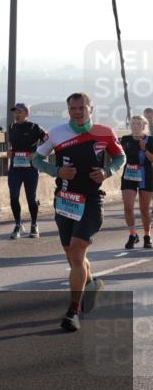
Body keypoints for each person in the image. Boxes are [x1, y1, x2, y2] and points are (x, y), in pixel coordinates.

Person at [31, 93, 125, 332]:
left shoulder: (105, 132)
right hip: (64, 200)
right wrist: (56, 171)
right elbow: (36, 158)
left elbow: (120, 157)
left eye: (82, 107)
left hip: (92, 201)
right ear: (68, 110)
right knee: (73, 257)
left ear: (91, 109)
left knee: (76, 251)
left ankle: (74, 310)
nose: (77, 112)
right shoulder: (57, 133)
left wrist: (107, 172)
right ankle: (91, 284)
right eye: (73, 108)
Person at [5, 103, 47, 239]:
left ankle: (34, 225)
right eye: (15, 112)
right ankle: (18, 224)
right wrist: (10, 152)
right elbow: (13, 145)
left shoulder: (35, 127)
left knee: (31, 199)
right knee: (13, 196)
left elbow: (48, 142)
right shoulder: (11, 127)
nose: (16, 114)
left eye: (19, 112)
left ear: (26, 114)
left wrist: (37, 154)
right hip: (15, 168)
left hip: (31, 168)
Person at [121, 115, 152, 249]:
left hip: (146, 176)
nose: (135, 126)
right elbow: (119, 156)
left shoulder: (150, 140)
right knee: (128, 207)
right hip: (129, 175)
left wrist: (144, 148)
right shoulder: (125, 139)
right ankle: (133, 235)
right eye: (133, 124)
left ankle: (147, 236)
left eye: (138, 124)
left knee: (144, 209)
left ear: (144, 126)